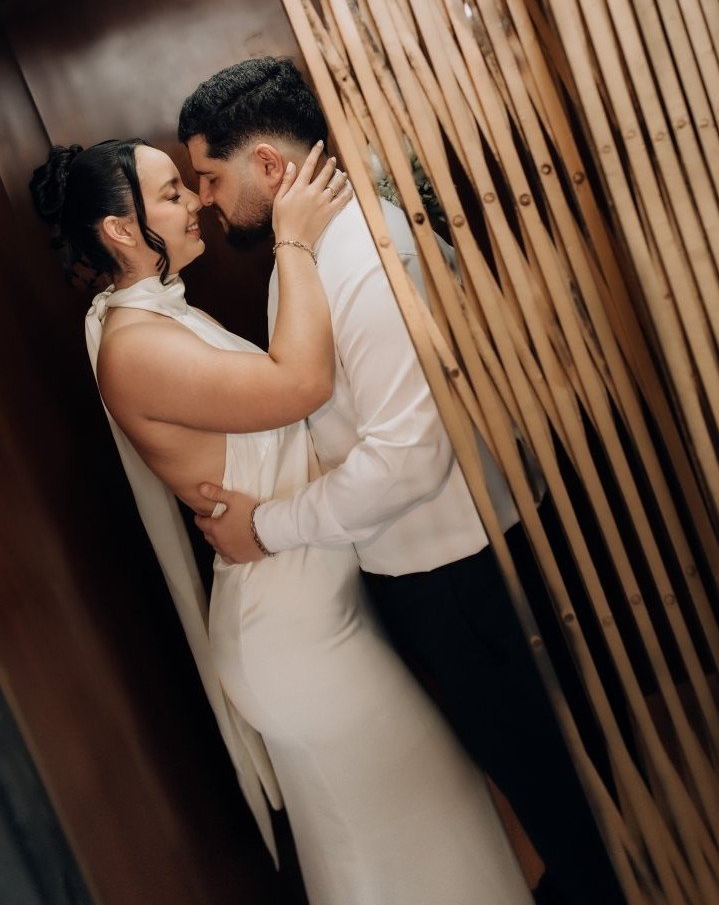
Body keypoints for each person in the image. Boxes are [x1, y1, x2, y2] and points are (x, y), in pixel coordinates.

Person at [30, 135, 532, 905]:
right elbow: (299, 382)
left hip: (320, 613)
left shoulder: (163, 318)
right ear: (121, 229)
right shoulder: (133, 347)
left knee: (423, 837)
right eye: (171, 193)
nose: (194, 202)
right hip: (292, 637)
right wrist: (292, 237)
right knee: (414, 845)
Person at [180, 57, 625, 905]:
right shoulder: (312, 250)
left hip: (461, 571)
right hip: (442, 568)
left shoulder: (361, 257)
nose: (205, 198)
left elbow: (407, 459)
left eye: (210, 176)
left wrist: (265, 526)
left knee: (557, 799)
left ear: (268, 164)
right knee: (541, 791)